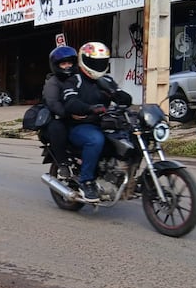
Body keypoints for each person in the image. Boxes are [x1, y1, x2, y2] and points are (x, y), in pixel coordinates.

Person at [62, 41, 132, 202]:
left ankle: (120, 174)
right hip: (80, 125)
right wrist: (90, 108)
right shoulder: (74, 80)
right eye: (94, 62)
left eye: (101, 62)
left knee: (129, 138)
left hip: (104, 123)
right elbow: (70, 102)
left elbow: (123, 97)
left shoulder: (107, 80)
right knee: (96, 140)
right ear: (83, 60)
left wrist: (119, 95)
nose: (98, 65)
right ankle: (86, 181)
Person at [42, 46, 78, 179]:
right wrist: (70, 114)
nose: (68, 66)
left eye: (70, 63)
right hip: (61, 118)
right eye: (64, 63)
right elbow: (53, 103)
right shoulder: (53, 82)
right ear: (56, 65)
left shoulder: (79, 78)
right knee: (58, 128)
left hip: (81, 115)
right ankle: (62, 163)